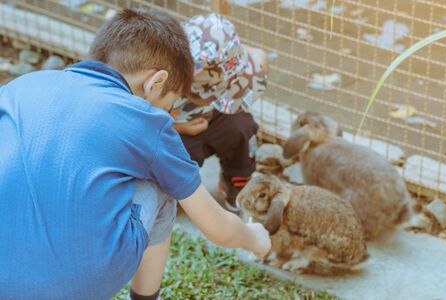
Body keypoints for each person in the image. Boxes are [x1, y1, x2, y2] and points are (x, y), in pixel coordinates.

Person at [0, 8, 271, 300]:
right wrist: (254, 238)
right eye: (168, 105)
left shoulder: (21, 87)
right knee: (163, 183)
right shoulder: (147, 122)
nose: (166, 115)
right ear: (154, 83)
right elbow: (218, 229)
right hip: (76, 286)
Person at [171, 13, 269, 212]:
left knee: (241, 128)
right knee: (172, 160)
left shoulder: (242, 57)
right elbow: (139, 120)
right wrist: (176, 126)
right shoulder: (161, 79)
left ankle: (237, 178)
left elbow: (259, 58)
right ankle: (174, 191)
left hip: (218, 118)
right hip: (174, 127)